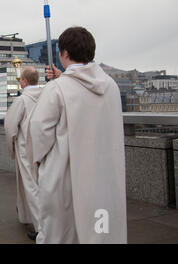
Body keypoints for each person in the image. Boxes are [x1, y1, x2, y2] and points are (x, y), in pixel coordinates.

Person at [26, 27, 127, 244]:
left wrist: (38, 163)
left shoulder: (57, 89)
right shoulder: (110, 86)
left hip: (65, 177)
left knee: (62, 233)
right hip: (104, 178)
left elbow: (39, 131)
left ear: (64, 54)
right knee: (102, 232)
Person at [4, 66, 42, 241]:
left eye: (20, 79)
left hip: (26, 148)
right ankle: (35, 218)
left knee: (30, 185)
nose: (19, 81)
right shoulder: (46, 96)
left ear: (25, 81)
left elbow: (10, 126)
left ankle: (41, 227)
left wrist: (11, 147)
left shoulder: (22, 100)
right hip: (44, 146)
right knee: (43, 185)